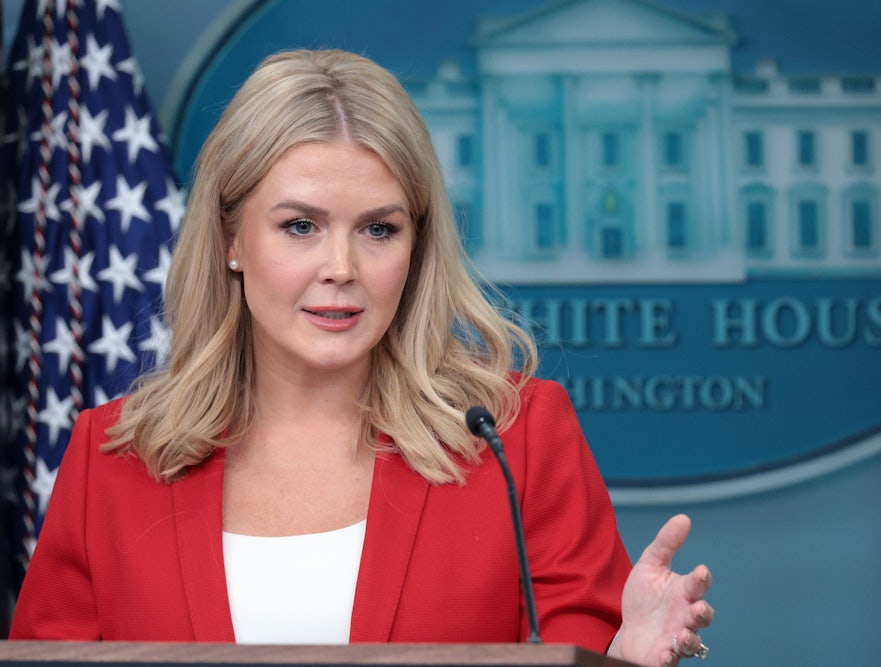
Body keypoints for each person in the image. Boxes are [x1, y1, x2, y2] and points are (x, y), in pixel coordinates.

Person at [9, 49, 713, 665]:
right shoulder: (111, 457)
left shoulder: (519, 438)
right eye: (299, 226)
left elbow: (574, 656)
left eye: (378, 228)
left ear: (416, 244)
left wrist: (622, 659)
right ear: (230, 238)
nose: (340, 266)